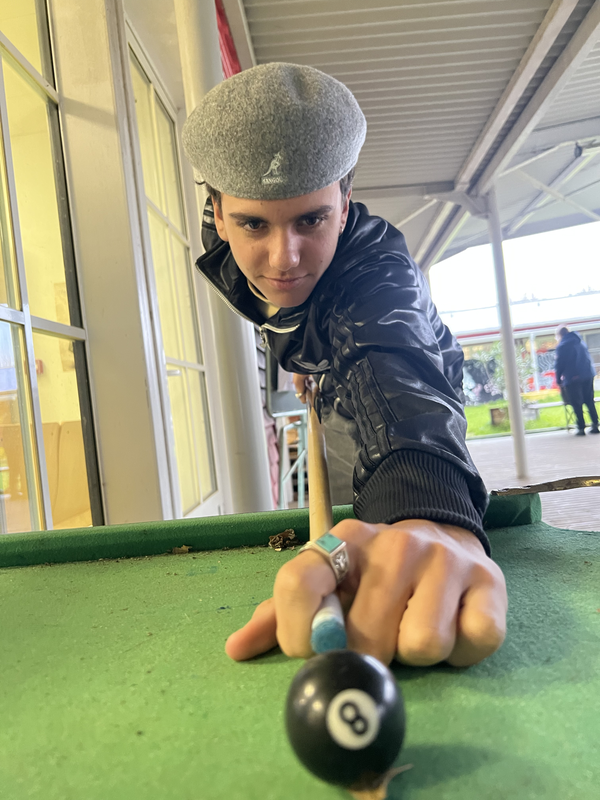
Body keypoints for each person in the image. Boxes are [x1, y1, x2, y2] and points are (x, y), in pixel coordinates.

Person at [182, 63, 507, 669]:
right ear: (217, 215)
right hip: (329, 368)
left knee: (376, 507)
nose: (284, 258)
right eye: (254, 223)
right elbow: (288, 305)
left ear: (345, 202)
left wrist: (427, 512)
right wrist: (306, 357)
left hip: (410, 384)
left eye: (312, 219)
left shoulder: (377, 276)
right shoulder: (222, 233)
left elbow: (393, 359)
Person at [555, 325, 599, 436]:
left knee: (576, 402)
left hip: (573, 377)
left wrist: (558, 379)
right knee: (589, 401)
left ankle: (581, 427)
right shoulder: (580, 342)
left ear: (560, 335)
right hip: (588, 375)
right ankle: (595, 424)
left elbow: (560, 364)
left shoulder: (563, 346)